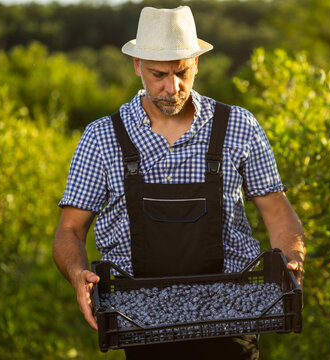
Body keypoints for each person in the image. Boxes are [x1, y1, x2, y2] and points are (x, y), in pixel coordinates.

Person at [53, 5, 305, 360]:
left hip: (231, 318)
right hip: (140, 322)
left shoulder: (239, 127)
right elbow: (70, 231)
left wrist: (292, 261)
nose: (172, 88)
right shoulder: (101, 138)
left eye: (182, 72)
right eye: (158, 74)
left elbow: (279, 215)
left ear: (197, 63)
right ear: (137, 65)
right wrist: (78, 273)